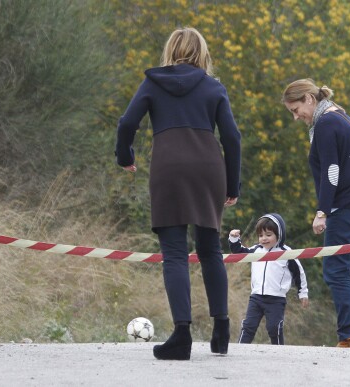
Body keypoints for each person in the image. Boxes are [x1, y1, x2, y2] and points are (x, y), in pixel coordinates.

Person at [115, 27, 241, 360]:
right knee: (210, 248)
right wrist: (233, 184)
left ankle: (182, 337)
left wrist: (125, 157)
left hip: (169, 168)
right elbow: (232, 138)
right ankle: (221, 332)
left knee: (174, 253)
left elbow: (127, 123)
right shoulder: (213, 87)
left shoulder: (153, 84)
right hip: (208, 169)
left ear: (170, 50)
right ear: (202, 53)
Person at [281, 78, 350, 349]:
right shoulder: (339, 114)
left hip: (348, 207)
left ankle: (349, 337)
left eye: (296, 109)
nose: (296, 117)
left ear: (309, 99)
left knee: (335, 269)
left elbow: (332, 171)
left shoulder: (325, 123)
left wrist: (322, 212)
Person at [228, 213, 309, 345]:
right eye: (260, 235)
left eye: (268, 235)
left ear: (279, 234)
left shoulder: (287, 253)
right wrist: (233, 239)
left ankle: (278, 352)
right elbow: (238, 252)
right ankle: (240, 349)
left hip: (276, 299)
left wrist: (303, 292)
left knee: (274, 328)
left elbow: (299, 273)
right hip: (256, 298)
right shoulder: (256, 250)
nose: (264, 239)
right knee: (248, 326)